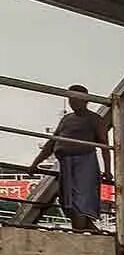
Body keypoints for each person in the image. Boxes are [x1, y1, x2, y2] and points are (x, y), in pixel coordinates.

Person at [29, 85, 110, 234]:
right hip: (65, 163)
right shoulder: (67, 119)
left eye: (76, 98)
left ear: (86, 100)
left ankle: (79, 236)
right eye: (70, 98)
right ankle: (95, 234)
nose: (72, 102)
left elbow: (105, 146)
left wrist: (108, 170)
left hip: (85, 163)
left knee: (80, 202)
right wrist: (35, 163)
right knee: (68, 202)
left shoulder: (95, 119)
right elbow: (52, 143)